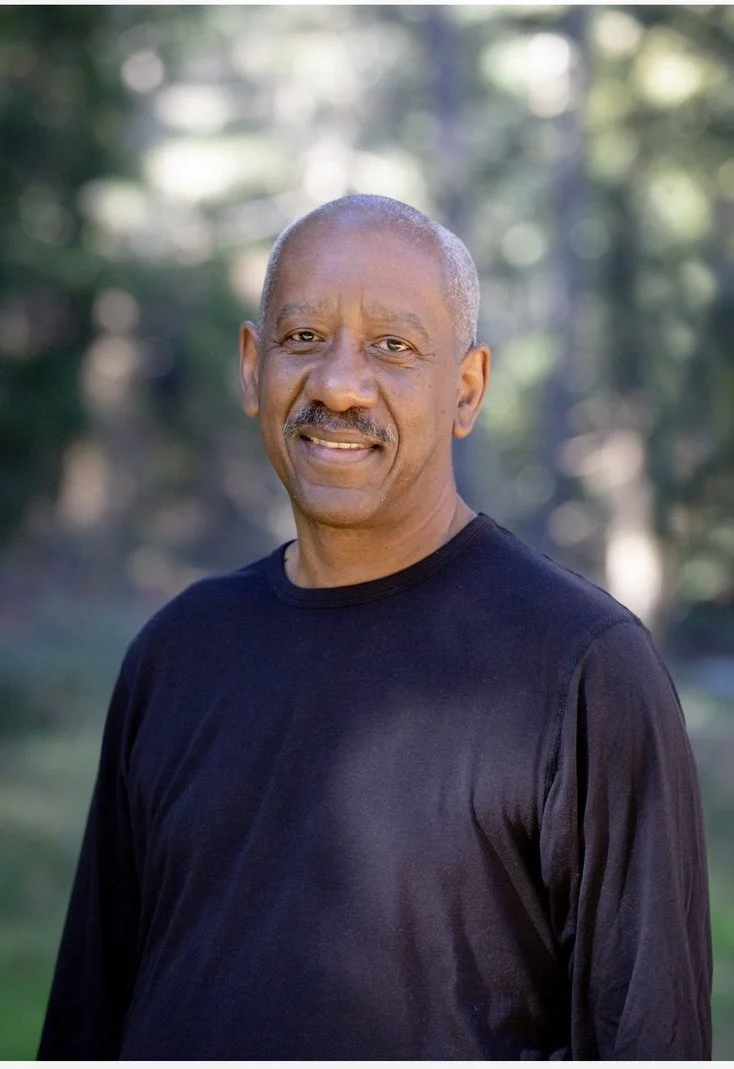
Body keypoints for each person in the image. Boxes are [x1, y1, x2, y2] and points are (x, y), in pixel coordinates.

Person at [38, 194, 712, 1060]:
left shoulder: (582, 670)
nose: (339, 385)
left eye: (393, 346)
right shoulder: (176, 651)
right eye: (303, 337)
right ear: (252, 366)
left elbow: (649, 1035)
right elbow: (88, 1018)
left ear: (466, 389)